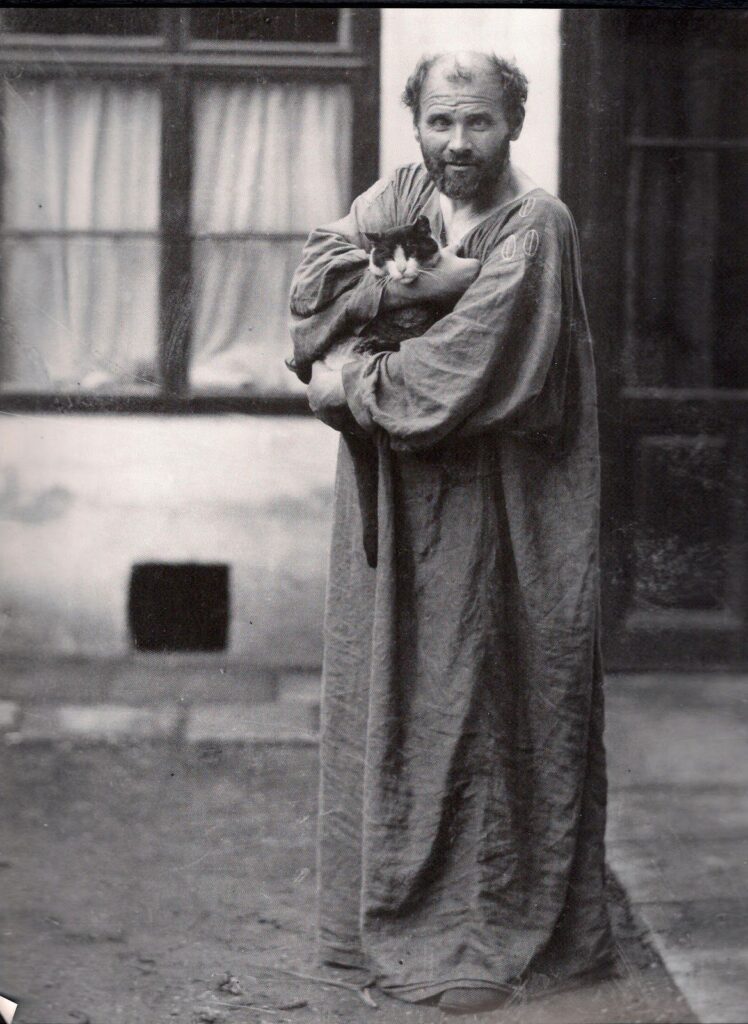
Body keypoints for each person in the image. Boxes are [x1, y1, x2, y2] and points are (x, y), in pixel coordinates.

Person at [288, 51, 616, 1015]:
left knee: (481, 697)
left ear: (513, 124)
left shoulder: (538, 225)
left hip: (499, 511)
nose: (456, 144)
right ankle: (380, 915)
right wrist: (407, 293)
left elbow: (474, 367)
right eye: (438, 122)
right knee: (390, 692)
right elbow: (312, 286)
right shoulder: (404, 192)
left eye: (477, 124)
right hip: (393, 498)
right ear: (415, 122)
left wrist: (354, 380)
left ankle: (483, 932)